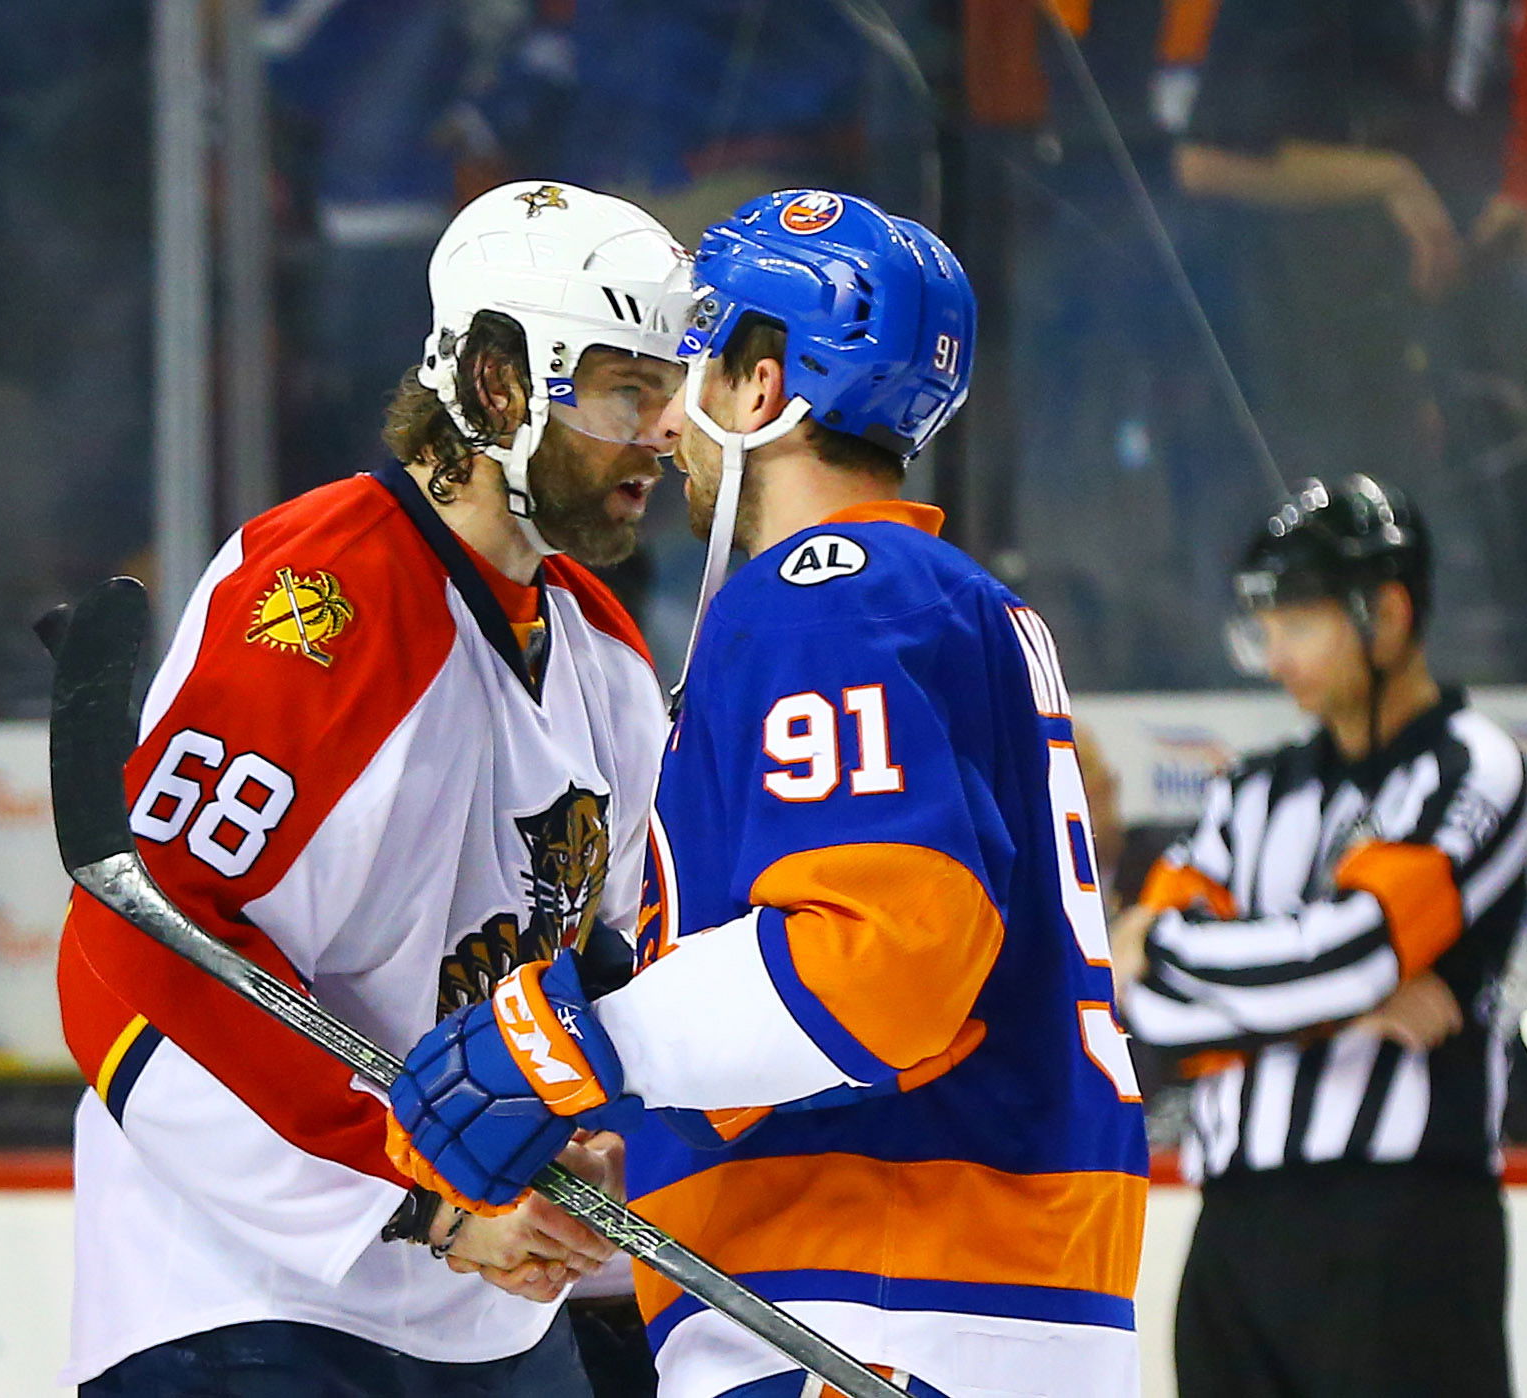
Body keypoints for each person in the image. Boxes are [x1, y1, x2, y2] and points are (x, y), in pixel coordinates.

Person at [389, 189, 1151, 1398]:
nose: (664, 423)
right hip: (960, 1295)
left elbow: (885, 958)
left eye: (694, 363)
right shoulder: (930, 598)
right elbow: (862, 1005)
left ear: (763, 388)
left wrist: (578, 1041)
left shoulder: (824, 588)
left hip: (876, 1307)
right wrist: (634, 1124)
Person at [56, 180, 689, 1396]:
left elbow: (607, 965)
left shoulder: (601, 649)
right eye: (627, 388)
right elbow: (127, 970)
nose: (664, 429)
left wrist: (581, 1141)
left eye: (669, 390)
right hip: (240, 1301)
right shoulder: (323, 604)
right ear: (500, 384)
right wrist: (424, 1207)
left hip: (487, 1318)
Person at [1114, 474, 1527, 1397]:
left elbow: (1357, 948)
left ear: (1385, 612)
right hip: (1232, 1233)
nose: (1273, 657)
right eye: (1263, 629)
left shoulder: (1472, 768)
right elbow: (1145, 1004)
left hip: (1405, 1229)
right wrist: (1346, 1003)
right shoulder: (1247, 790)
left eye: (1297, 625)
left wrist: (1177, 950)